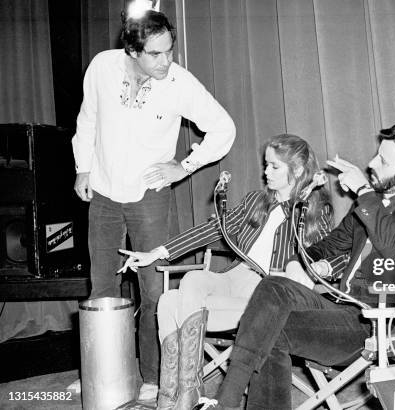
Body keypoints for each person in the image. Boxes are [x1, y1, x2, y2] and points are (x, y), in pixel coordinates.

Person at [196, 124, 395, 410]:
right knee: (273, 288)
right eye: (376, 155)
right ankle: (224, 402)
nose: (371, 163)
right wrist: (301, 262)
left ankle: (223, 403)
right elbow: (329, 244)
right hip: (341, 307)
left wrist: (363, 191)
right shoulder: (368, 204)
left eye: (383, 161)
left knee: (270, 329)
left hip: (374, 321)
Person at [71, 10, 236, 400]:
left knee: (153, 291)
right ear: (131, 50)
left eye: (170, 51)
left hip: (149, 197)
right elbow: (88, 119)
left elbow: (224, 127)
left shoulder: (179, 82)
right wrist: (82, 169)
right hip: (105, 193)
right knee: (102, 288)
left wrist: (184, 166)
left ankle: (150, 378)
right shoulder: (102, 68)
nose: (167, 61)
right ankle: (101, 373)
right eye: (156, 54)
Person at [119, 134, 334, 409]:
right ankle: (186, 393)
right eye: (266, 164)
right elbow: (213, 228)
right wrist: (158, 252)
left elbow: (329, 255)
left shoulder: (313, 213)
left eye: (274, 167)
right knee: (192, 278)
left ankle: (174, 397)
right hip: (236, 278)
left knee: (170, 301)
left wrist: (314, 262)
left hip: (269, 295)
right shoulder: (257, 201)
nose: (265, 171)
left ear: (299, 171)